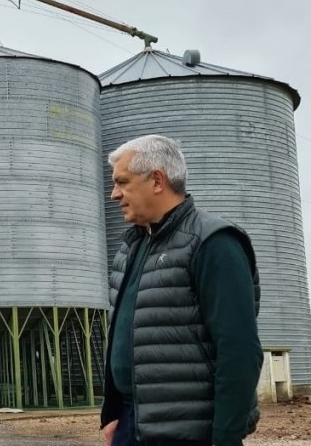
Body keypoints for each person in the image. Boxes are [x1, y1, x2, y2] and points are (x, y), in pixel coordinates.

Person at [100, 135, 263, 446]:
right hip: (133, 423)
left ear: (157, 180)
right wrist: (116, 413)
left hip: (188, 431)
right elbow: (128, 338)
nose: (114, 194)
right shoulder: (132, 247)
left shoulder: (213, 242)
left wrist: (226, 437)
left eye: (122, 182)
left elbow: (239, 349)